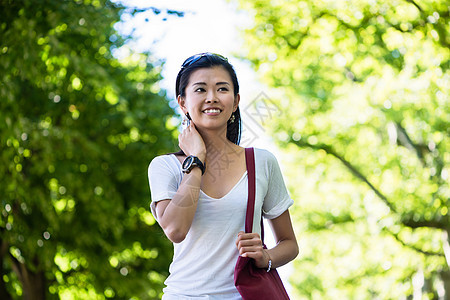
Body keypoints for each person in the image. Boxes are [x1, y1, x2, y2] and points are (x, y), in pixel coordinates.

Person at [148, 52, 298, 299]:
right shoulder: (165, 166)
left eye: (222, 89)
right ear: (183, 103)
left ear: (236, 101)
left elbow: (289, 244)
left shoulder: (261, 162)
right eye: (200, 90)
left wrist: (266, 257)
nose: (211, 98)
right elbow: (175, 229)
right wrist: (196, 159)